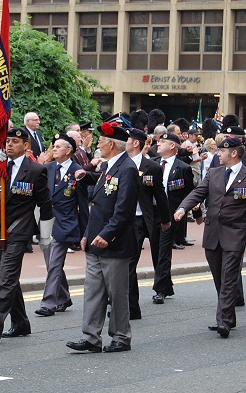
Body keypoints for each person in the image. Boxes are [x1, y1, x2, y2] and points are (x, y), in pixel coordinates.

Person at [174, 137, 246, 338]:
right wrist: (183, 208)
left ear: (233, 153)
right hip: (212, 233)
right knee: (219, 277)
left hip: (235, 233)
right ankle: (228, 315)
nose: (218, 154)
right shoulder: (213, 173)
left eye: (221, 152)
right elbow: (198, 192)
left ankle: (223, 322)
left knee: (229, 278)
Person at [0, 128, 53, 343]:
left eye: (15, 141)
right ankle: (21, 323)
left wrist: (45, 236)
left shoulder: (36, 170)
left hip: (19, 230)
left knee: (6, 278)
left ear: (26, 146)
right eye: (8, 141)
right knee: (8, 279)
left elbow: (45, 204)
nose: (10, 145)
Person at [66, 122, 138, 353]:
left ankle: (120, 336)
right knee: (93, 291)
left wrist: (107, 234)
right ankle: (90, 337)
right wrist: (88, 234)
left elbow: (124, 209)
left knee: (117, 293)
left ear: (111, 144)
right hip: (96, 240)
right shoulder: (108, 166)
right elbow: (96, 206)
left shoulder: (126, 168)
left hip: (114, 242)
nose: (97, 144)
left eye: (100, 141)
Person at [35, 133, 88, 317]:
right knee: (51, 264)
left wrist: (85, 232)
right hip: (47, 221)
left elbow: (83, 203)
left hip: (66, 223)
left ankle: (48, 303)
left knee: (55, 263)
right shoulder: (48, 168)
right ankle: (64, 297)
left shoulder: (77, 170)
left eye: (58, 146)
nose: (54, 148)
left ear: (68, 150)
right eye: (53, 146)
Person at [125, 128, 171, 317]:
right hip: (122, 221)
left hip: (141, 220)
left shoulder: (151, 167)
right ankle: (131, 307)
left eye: (127, 139)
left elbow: (160, 195)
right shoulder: (119, 164)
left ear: (136, 143)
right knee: (126, 265)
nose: (124, 142)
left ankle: (130, 306)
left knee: (129, 263)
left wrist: (166, 219)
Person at [151, 132, 200, 303]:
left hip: (170, 215)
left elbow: (191, 193)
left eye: (162, 142)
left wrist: (197, 214)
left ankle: (159, 290)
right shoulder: (153, 164)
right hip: (152, 213)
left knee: (164, 252)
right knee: (155, 251)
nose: (158, 144)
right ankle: (166, 285)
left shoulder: (183, 168)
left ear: (172, 146)